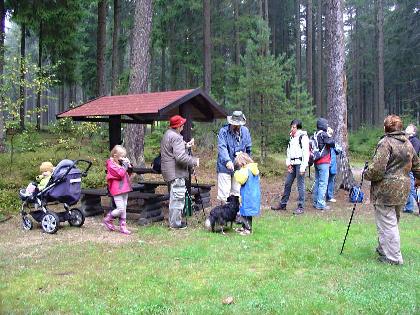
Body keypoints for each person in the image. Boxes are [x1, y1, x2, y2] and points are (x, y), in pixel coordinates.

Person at [364, 115, 420, 265]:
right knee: (391, 220)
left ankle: (394, 258)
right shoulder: (408, 143)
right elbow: (417, 165)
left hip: (386, 190)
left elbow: (377, 169)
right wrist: (418, 179)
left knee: (388, 223)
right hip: (403, 189)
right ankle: (384, 249)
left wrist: (366, 173)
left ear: (386, 127)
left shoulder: (386, 143)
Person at [161, 115, 199, 229]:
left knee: (174, 197)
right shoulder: (176, 137)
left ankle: (174, 222)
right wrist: (194, 161)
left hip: (169, 172)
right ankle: (175, 224)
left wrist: (186, 145)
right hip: (176, 172)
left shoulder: (168, 134)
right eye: (182, 124)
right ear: (178, 126)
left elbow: (173, 151)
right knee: (177, 199)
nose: (183, 126)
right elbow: (180, 157)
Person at [271, 119, 309, 215]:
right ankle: (283, 204)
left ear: (298, 128)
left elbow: (306, 153)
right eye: (291, 126)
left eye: (294, 127)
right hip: (292, 164)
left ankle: (301, 207)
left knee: (300, 185)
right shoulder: (292, 138)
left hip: (300, 163)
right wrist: (288, 163)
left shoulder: (303, 137)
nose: (292, 128)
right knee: (288, 183)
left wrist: (303, 167)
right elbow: (289, 152)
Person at [217, 110, 252, 204]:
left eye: (238, 124)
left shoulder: (245, 131)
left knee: (236, 192)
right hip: (224, 166)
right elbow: (222, 147)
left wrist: (247, 161)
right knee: (224, 194)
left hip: (239, 167)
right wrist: (227, 161)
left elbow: (248, 148)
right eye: (235, 124)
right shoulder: (223, 132)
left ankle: (235, 215)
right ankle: (223, 216)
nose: (237, 126)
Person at [103, 145, 133, 235]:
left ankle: (123, 226)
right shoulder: (111, 165)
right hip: (117, 189)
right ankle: (108, 219)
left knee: (124, 207)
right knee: (120, 208)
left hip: (125, 187)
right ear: (115, 155)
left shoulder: (120, 163)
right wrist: (125, 165)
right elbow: (120, 174)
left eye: (124, 156)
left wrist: (129, 166)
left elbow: (128, 173)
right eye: (121, 156)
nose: (123, 158)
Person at [233, 152, 261, 235]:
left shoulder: (246, 170)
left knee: (246, 212)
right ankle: (243, 227)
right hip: (253, 193)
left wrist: (236, 172)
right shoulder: (253, 168)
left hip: (248, 194)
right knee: (244, 211)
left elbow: (241, 180)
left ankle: (248, 230)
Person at [312, 118, 335, 210]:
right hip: (324, 162)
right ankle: (321, 203)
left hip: (316, 161)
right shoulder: (323, 134)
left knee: (317, 182)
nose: (327, 126)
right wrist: (329, 135)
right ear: (323, 125)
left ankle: (315, 201)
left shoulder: (315, 134)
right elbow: (332, 143)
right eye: (326, 124)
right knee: (323, 183)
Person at [404, 124, 420, 214]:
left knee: (412, 187)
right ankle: (409, 207)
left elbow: (414, 153)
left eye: (409, 127)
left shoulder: (415, 141)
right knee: (407, 186)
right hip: (406, 165)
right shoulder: (406, 140)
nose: (407, 128)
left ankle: (417, 205)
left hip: (411, 166)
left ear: (414, 131)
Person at [326, 127, 342, 203]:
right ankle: (323, 196)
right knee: (324, 180)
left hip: (332, 164)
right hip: (325, 164)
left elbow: (339, 150)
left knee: (331, 180)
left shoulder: (333, 142)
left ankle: (329, 196)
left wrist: (334, 146)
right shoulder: (322, 141)